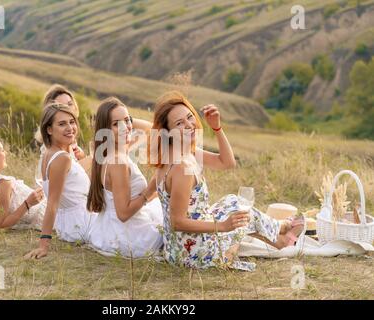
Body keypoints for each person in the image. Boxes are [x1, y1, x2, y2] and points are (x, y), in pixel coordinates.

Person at [151, 91, 304, 271]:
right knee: (243, 215)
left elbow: (227, 163)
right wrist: (222, 226)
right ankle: (281, 227)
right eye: (179, 123)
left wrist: (217, 128)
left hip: (176, 248)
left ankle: (278, 239)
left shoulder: (181, 153)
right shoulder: (181, 167)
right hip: (193, 255)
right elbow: (177, 222)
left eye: (189, 117)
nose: (189, 125)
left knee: (233, 201)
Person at [87, 97, 163, 258]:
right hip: (131, 237)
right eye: (116, 124)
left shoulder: (110, 151)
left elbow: (153, 130)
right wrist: (149, 190)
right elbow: (123, 214)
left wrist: (125, 121)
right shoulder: (118, 162)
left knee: (162, 202)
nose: (126, 127)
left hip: (108, 231)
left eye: (128, 121)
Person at [25, 103, 97, 259]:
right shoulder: (61, 158)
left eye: (72, 122)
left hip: (71, 223)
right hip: (82, 223)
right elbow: (52, 203)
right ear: (49, 129)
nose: (70, 127)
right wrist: (43, 246)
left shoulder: (54, 152)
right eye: (62, 124)